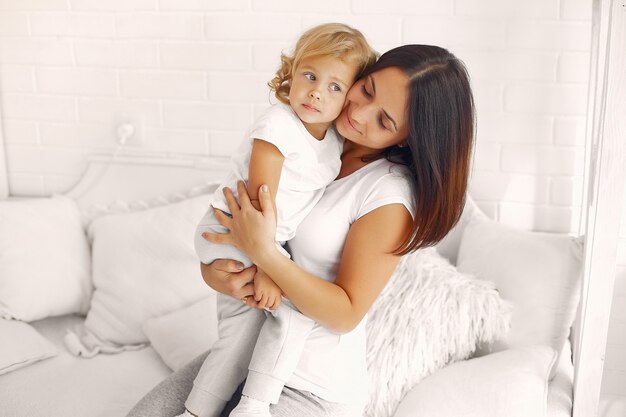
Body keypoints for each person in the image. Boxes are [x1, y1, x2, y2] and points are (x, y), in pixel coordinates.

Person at [128, 42, 475, 417]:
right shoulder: (313, 135)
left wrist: (263, 254)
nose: (359, 113)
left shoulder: (389, 195)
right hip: (248, 351)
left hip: (312, 387)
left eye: (384, 121)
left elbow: (346, 312)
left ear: (407, 138)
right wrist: (218, 274)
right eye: (366, 90)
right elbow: (243, 226)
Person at [183, 23, 377, 417]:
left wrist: (272, 259)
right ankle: (255, 405)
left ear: (348, 99)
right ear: (292, 72)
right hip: (235, 228)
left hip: (263, 241)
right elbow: (260, 198)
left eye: (335, 86)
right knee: (295, 313)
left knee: (238, 338)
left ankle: (196, 410)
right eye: (309, 75)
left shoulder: (334, 143)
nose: (317, 91)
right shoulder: (278, 126)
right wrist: (270, 265)